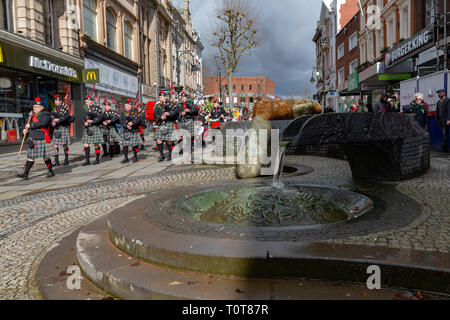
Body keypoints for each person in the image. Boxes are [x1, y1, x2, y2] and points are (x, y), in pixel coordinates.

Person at [17, 97, 58, 180]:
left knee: (45, 157)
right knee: (30, 157)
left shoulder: (46, 114)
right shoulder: (31, 116)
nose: (35, 108)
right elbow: (26, 124)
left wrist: (31, 126)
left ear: (42, 107)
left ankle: (50, 171)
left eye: (37, 107)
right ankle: (26, 174)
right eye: (34, 107)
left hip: (42, 138)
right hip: (33, 138)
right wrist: (25, 130)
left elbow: (43, 123)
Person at [154, 91, 179, 162]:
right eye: (159, 97)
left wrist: (169, 113)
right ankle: (161, 155)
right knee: (159, 140)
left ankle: (170, 154)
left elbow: (176, 111)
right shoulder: (158, 105)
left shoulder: (170, 103)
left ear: (165, 97)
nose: (160, 98)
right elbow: (155, 114)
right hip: (161, 124)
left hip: (169, 123)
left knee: (169, 141)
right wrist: (160, 117)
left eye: (161, 97)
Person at [81, 95, 105, 166]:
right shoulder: (84, 108)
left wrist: (92, 121)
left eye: (88, 102)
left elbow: (101, 117)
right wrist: (84, 122)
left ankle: (97, 159)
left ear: (91, 101)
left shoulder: (96, 108)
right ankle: (87, 160)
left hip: (94, 127)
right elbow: (82, 117)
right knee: (85, 144)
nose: (86, 103)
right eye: (86, 102)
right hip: (87, 128)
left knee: (96, 144)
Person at [51, 94, 73, 166]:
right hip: (56, 128)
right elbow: (52, 117)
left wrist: (58, 120)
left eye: (57, 100)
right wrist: (52, 121)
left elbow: (67, 116)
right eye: (55, 101)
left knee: (64, 145)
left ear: (60, 101)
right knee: (55, 145)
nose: (56, 102)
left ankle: (66, 159)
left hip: (63, 127)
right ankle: (56, 161)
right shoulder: (54, 109)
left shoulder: (64, 108)